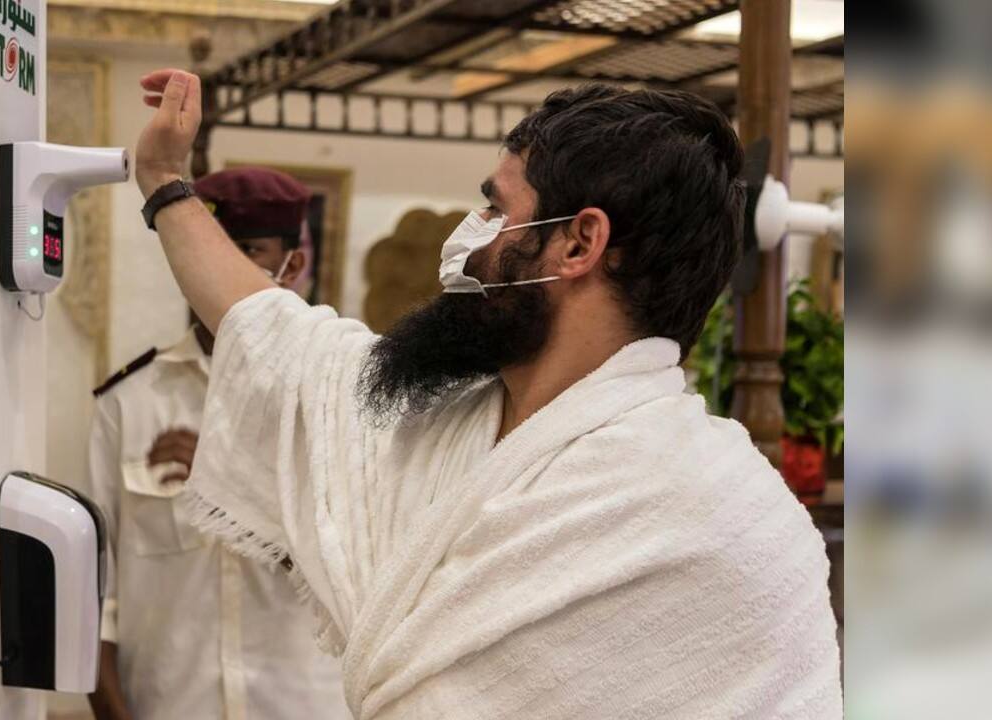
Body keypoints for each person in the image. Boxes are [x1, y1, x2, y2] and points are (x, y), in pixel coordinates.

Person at [133, 69, 843, 719]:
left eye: (493, 210)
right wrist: (166, 182)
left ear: (577, 243)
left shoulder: (733, 519)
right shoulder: (431, 423)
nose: (464, 241)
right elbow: (273, 331)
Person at [86, 167, 349, 720]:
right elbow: (94, 596)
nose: (216, 269)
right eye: (206, 248)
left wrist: (235, 474)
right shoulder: (128, 403)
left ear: (292, 265)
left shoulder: (337, 398)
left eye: (245, 250)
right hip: (171, 702)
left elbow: (356, 572)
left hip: (302, 704)